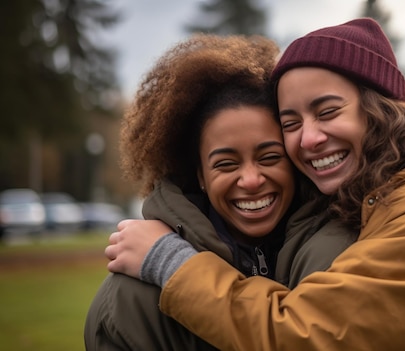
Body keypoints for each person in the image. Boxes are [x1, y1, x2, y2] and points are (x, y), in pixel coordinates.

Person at [105, 18, 405, 350]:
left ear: (378, 109)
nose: (310, 137)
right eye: (291, 122)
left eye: (328, 111)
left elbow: (301, 336)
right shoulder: (378, 195)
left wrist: (168, 260)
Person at [84, 33, 300, 350]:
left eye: (269, 157)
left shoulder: (341, 253)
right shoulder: (131, 300)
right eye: (226, 164)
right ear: (199, 175)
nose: (251, 180)